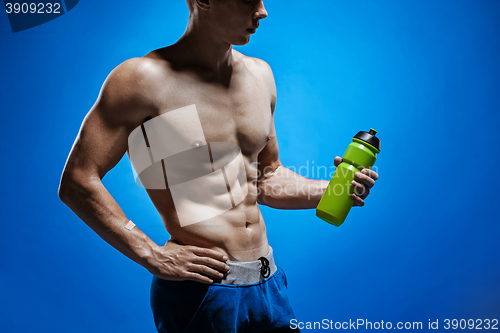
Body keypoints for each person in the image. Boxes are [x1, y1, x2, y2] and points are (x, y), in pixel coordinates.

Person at [58, 0, 379, 332]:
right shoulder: (143, 80)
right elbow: (78, 180)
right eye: (248, 0)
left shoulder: (260, 75)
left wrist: (332, 189)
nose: (262, 11)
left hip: (270, 284)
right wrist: (149, 253)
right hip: (203, 292)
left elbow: (266, 178)